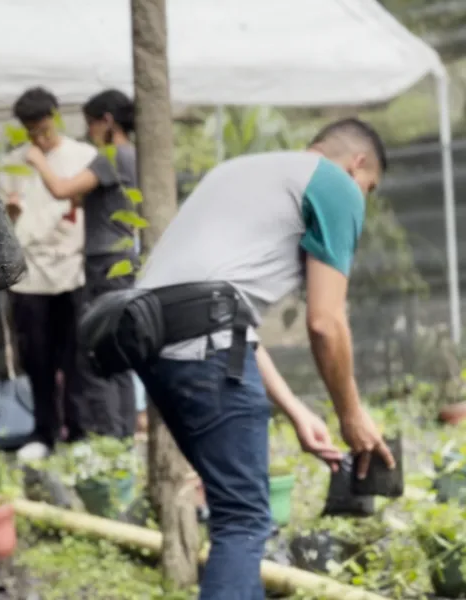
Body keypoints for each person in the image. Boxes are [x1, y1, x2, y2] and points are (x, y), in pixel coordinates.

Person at [127, 118, 396, 600]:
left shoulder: (239, 171)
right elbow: (326, 322)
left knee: (238, 515)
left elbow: (218, 310)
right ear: (358, 164)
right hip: (204, 342)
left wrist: (296, 410)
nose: (362, 200)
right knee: (244, 520)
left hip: (151, 341)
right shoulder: (336, 184)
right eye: (368, 188)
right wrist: (351, 414)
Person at [25, 89, 138, 439]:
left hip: (105, 263)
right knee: (117, 354)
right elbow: (77, 194)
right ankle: (123, 435)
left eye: (91, 124)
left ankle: (109, 436)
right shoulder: (134, 155)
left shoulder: (112, 156)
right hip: (121, 260)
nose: (88, 132)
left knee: (98, 354)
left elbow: (61, 189)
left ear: (106, 121)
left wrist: (37, 160)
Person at [0, 87, 97, 458]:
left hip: (73, 269)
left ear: (55, 117)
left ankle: (79, 431)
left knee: (75, 357)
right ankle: (44, 431)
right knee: (38, 358)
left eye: (44, 129)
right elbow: (6, 224)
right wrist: (9, 211)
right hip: (29, 275)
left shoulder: (83, 156)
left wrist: (41, 161)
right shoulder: (12, 163)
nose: (39, 138)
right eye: (32, 131)